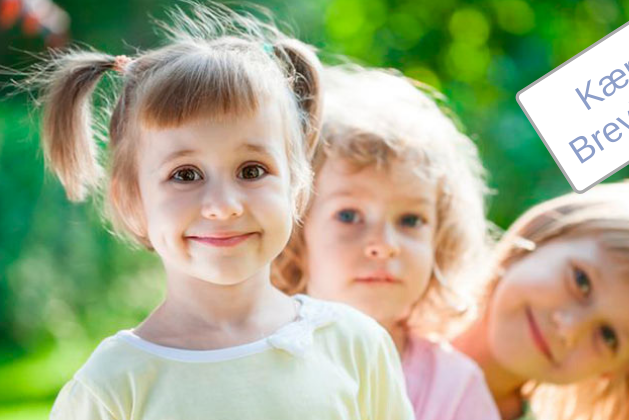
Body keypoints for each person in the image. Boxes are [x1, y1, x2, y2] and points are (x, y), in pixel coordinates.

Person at [28, 4, 414, 419]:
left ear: (297, 185)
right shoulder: (113, 387)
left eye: (252, 170)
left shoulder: (355, 346)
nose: (224, 205)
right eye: (186, 174)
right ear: (131, 200)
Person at [273, 64, 500, 420]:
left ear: (440, 240)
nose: (384, 244)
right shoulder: (252, 354)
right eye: (349, 215)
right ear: (297, 230)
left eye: (411, 220)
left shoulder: (455, 388)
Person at [453, 178, 629, 420]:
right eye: (581, 281)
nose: (570, 328)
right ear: (549, 231)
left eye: (608, 336)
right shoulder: (411, 298)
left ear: (615, 370)